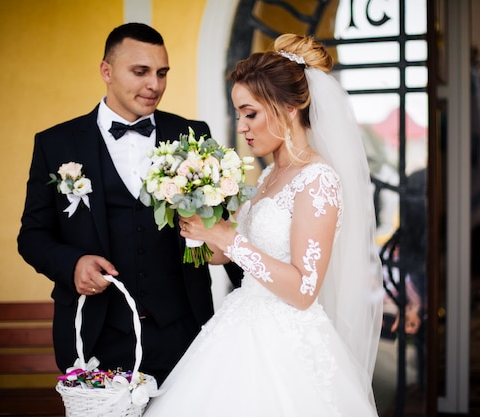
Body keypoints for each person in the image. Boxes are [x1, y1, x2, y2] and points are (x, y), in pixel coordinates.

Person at [144, 33, 384, 416]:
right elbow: (227, 255)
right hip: (238, 326)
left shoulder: (318, 179)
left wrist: (229, 240)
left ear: (289, 107)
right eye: (239, 114)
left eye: (250, 113)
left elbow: (304, 289)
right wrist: (201, 228)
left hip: (286, 347)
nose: (241, 126)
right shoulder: (271, 173)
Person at [17, 22, 218, 385]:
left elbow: (221, 226)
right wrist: (73, 263)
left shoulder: (193, 136)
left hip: (182, 331)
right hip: (96, 334)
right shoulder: (56, 144)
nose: (154, 85)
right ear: (106, 71)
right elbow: (32, 236)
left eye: (161, 73)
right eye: (140, 72)